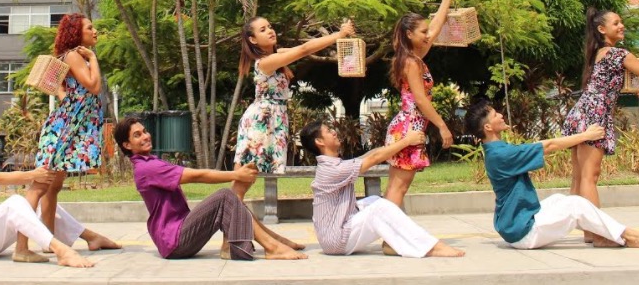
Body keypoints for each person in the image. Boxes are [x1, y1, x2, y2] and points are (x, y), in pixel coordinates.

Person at [465, 100, 639, 249]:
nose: (501, 115)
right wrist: (586, 136)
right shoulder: (501, 154)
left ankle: (603, 236)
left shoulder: (495, 150)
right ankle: (630, 236)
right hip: (523, 233)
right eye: (495, 115)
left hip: (515, 226)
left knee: (561, 200)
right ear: (488, 127)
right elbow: (549, 145)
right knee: (575, 205)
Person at [232, 15, 355, 249]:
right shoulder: (265, 63)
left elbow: (302, 49)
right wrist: (339, 34)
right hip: (260, 124)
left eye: (270, 26)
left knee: (241, 187)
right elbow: (305, 48)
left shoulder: (274, 57)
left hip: (271, 122)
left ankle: (247, 239)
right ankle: (237, 241)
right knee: (239, 187)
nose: (270, 30)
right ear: (252, 39)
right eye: (262, 29)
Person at [114, 117, 306, 261]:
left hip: (178, 234)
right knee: (225, 196)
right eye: (137, 135)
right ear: (127, 145)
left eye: (144, 131)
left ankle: (271, 242)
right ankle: (272, 247)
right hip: (175, 241)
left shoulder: (149, 162)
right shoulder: (147, 168)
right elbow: (197, 176)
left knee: (232, 199)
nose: (145, 136)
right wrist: (235, 175)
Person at [0, 121, 117, 267]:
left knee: (40, 206)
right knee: (15, 202)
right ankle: (60, 250)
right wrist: (32, 176)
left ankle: (91, 237)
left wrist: (38, 179)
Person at [561, 8, 639, 240]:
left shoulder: (598, 53)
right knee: (589, 176)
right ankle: (597, 232)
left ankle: (587, 230)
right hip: (595, 115)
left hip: (581, 111)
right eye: (616, 23)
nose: (621, 25)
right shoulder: (619, 54)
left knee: (579, 176)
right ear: (602, 29)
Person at [298, 121, 464, 258]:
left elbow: (370, 155)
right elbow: (375, 158)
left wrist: (399, 141)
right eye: (328, 131)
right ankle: (431, 247)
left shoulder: (333, 164)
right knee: (380, 208)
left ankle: (394, 243)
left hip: (335, 236)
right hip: (336, 240)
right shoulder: (332, 170)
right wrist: (407, 141)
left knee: (375, 201)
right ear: (319, 141)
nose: (334, 132)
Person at [32, 13, 106, 237]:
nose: (95, 32)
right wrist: (93, 58)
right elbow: (93, 86)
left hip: (68, 123)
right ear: (77, 33)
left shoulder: (71, 56)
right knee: (46, 185)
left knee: (52, 186)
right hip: (65, 127)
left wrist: (72, 103)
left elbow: (64, 91)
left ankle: (49, 237)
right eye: (89, 28)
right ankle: (45, 238)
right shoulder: (75, 55)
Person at [383, 0, 456, 208]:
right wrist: (442, 126)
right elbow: (421, 100)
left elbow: (434, 30)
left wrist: (445, 1)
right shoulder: (411, 62)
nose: (427, 35)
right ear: (409, 34)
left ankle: (390, 237)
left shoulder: (412, 56)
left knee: (398, 187)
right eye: (422, 32)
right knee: (398, 188)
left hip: (409, 126)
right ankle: (389, 237)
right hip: (408, 128)